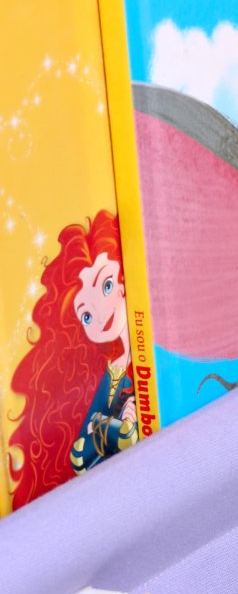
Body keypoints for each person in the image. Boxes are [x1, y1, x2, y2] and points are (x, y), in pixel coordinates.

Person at [7, 209, 138, 507]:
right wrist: (113, 429)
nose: (101, 315)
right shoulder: (108, 374)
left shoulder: (145, 354)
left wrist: (107, 429)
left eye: (106, 286)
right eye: (87, 315)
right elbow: (80, 453)